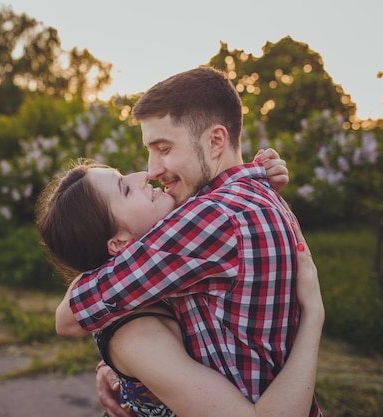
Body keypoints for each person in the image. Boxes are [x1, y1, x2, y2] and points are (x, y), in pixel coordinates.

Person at [53, 67, 322, 417]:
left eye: (163, 148)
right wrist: (132, 376)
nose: (151, 169)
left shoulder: (212, 217)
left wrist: (122, 356)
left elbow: (70, 316)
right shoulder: (256, 195)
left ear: (215, 141)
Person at [36, 159, 324, 417]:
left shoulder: (165, 271)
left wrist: (258, 180)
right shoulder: (140, 337)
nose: (143, 174)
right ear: (120, 244)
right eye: (125, 189)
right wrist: (313, 314)